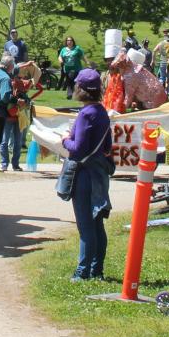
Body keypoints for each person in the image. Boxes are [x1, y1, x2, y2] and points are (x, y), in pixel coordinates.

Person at [61, 68, 113, 281]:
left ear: (80, 89)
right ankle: (96, 269)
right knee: (97, 224)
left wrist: (65, 139)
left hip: (84, 174)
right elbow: (107, 146)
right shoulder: (101, 111)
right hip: (99, 173)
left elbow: (78, 148)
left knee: (85, 226)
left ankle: (82, 273)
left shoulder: (85, 114)